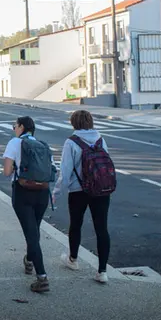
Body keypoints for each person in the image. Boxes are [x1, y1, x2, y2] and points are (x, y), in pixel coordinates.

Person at [53, 110, 112, 284]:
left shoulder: (71, 142)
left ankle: (73, 259)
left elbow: (65, 171)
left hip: (78, 190)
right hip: (101, 190)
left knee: (76, 225)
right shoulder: (101, 140)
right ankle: (102, 271)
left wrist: (56, 192)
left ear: (73, 124)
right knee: (102, 228)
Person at [3, 116, 54, 293]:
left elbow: (7, 171)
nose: (14, 129)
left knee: (31, 234)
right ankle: (30, 260)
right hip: (42, 193)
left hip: (23, 191)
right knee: (34, 230)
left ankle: (42, 277)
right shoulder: (43, 145)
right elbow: (51, 170)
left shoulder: (14, 143)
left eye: (14, 126)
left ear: (22, 127)